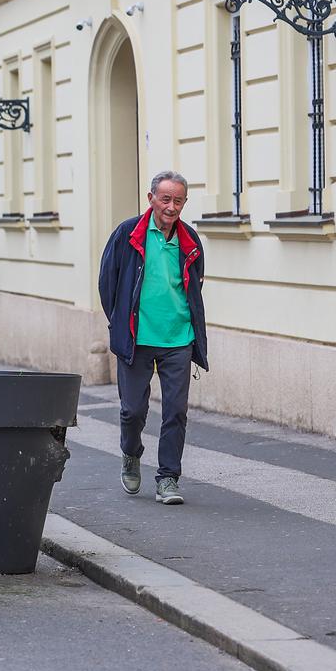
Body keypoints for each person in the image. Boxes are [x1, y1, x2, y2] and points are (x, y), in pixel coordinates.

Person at [97, 170, 209, 505]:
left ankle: (168, 479)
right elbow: (108, 283)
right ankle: (131, 454)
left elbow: (194, 285)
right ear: (151, 199)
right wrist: (120, 322)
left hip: (178, 338)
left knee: (176, 411)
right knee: (133, 410)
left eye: (178, 200)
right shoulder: (127, 234)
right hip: (137, 339)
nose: (171, 207)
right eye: (165, 199)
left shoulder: (189, 240)